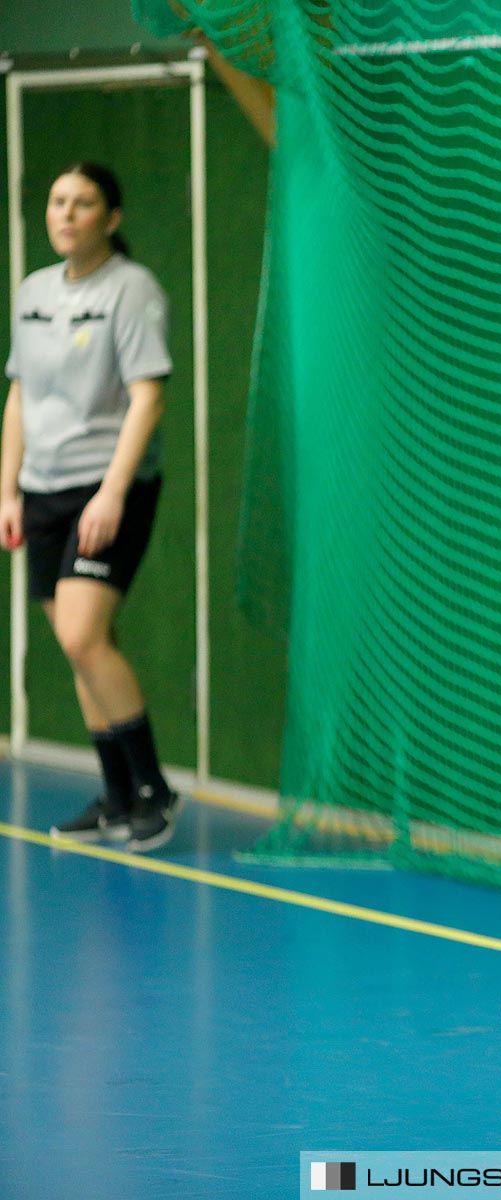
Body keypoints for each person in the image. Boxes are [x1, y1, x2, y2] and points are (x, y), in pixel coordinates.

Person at [1, 162, 181, 852]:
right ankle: (114, 798)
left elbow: (148, 396)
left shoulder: (131, 291)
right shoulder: (33, 291)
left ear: (111, 218)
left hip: (109, 486)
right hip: (41, 489)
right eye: (57, 202)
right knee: (81, 648)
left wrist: (111, 491)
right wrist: (8, 489)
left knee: (82, 636)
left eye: (83, 204)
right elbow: (19, 394)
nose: (66, 214)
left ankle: (154, 793)